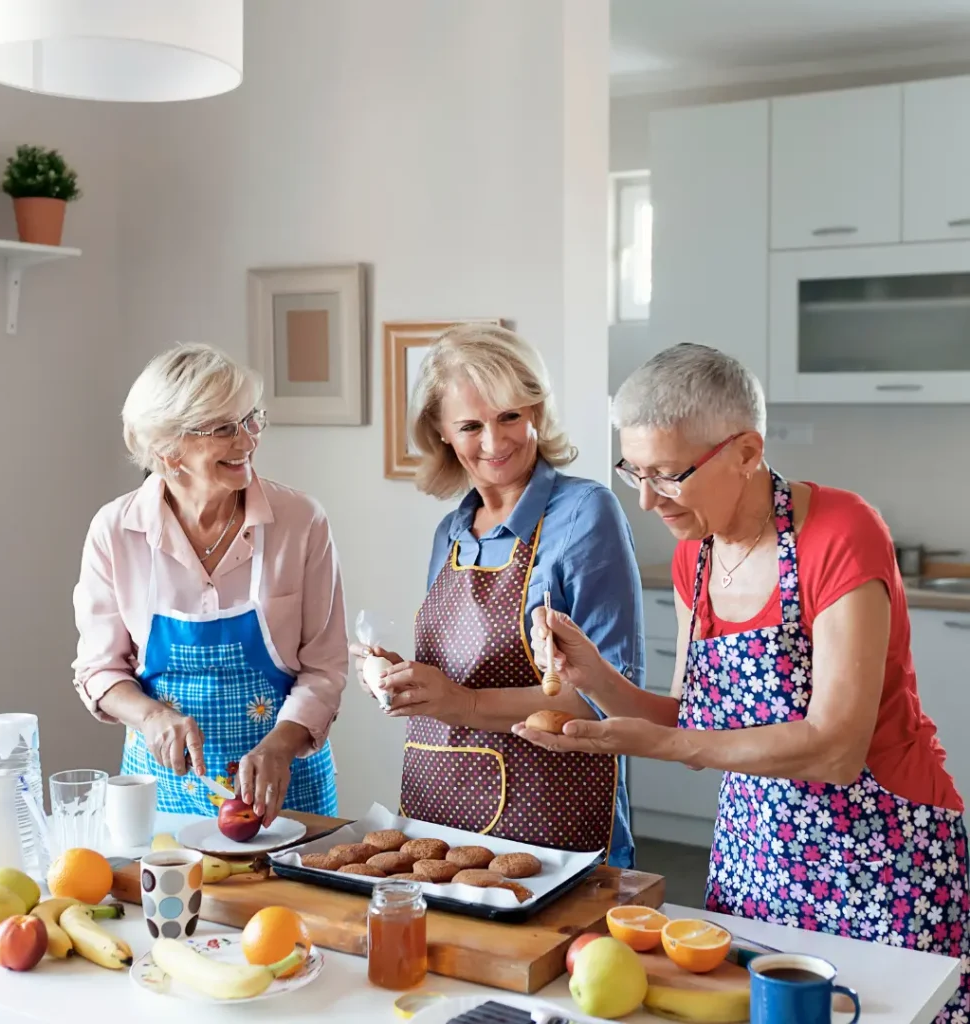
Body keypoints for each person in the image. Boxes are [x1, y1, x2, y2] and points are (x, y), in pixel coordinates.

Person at [516, 342, 969, 1020]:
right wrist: (595, 675)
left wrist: (660, 748)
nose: (645, 500)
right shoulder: (694, 555)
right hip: (758, 853)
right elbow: (693, 720)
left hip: (885, 856)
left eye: (667, 475)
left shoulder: (841, 533)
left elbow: (836, 751)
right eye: (633, 472)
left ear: (748, 451)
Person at [352, 324, 645, 867]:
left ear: (536, 410)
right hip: (439, 817)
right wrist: (407, 681)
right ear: (441, 433)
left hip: (553, 822)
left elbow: (608, 701)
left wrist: (461, 703)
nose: (495, 441)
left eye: (510, 415)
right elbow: (457, 677)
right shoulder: (451, 532)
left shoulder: (585, 514)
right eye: (470, 425)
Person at [72, 343, 347, 824]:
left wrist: (280, 746)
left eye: (250, 419)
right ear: (167, 448)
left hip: (285, 785)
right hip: (162, 791)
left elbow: (325, 667)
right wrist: (151, 717)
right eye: (224, 429)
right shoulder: (115, 531)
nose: (247, 441)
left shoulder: (300, 521)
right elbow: (99, 670)